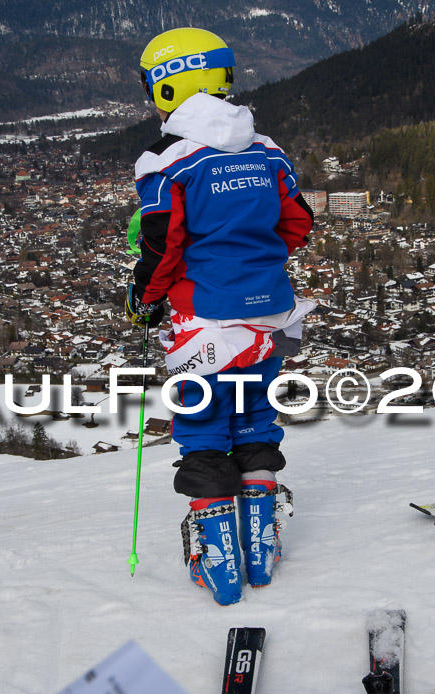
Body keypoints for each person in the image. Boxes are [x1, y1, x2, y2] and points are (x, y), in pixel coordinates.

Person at [125, 27, 315, 606]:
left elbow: (161, 249)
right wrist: (253, 261)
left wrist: (142, 300)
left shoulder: (168, 163)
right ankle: (262, 546)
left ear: (164, 86)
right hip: (273, 316)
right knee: (256, 413)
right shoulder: (267, 149)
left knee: (206, 424)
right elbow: (298, 224)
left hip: (204, 320)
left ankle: (219, 561)